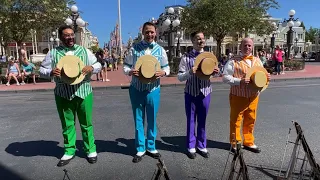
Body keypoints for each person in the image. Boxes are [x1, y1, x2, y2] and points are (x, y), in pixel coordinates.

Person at [40, 25, 101, 167]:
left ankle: (90, 149)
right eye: (67, 35)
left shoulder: (84, 51)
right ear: (61, 37)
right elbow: (42, 69)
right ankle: (69, 150)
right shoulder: (53, 53)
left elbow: (98, 64)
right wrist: (50, 72)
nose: (70, 37)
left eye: (72, 34)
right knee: (67, 124)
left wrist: (92, 67)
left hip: (83, 91)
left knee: (86, 123)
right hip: (63, 92)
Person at [123, 22, 170, 163]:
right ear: (143, 32)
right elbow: (126, 66)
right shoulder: (134, 49)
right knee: (138, 119)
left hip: (154, 89)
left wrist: (163, 72)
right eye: (147, 32)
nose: (150, 34)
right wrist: (130, 71)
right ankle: (140, 148)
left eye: (152, 32)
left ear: (156, 33)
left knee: (152, 118)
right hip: (137, 88)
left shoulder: (160, 50)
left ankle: (151, 146)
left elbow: (166, 68)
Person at [222, 38, 271, 153]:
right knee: (236, 120)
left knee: (251, 119)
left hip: (254, 96)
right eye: (245, 45)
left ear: (252, 47)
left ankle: (248, 141)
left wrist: (266, 77)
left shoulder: (257, 60)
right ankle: (235, 143)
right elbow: (225, 77)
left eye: (249, 45)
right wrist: (239, 81)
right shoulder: (233, 61)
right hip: (238, 95)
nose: (247, 47)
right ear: (240, 46)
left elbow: (262, 75)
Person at [177, 31, 219, 159]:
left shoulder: (210, 57)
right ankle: (191, 146)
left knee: (202, 119)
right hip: (191, 92)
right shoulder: (186, 58)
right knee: (190, 120)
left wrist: (216, 72)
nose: (201, 41)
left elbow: (215, 73)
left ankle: (201, 145)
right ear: (192, 41)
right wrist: (190, 72)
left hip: (205, 91)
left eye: (202, 38)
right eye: (197, 38)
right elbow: (180, 77)